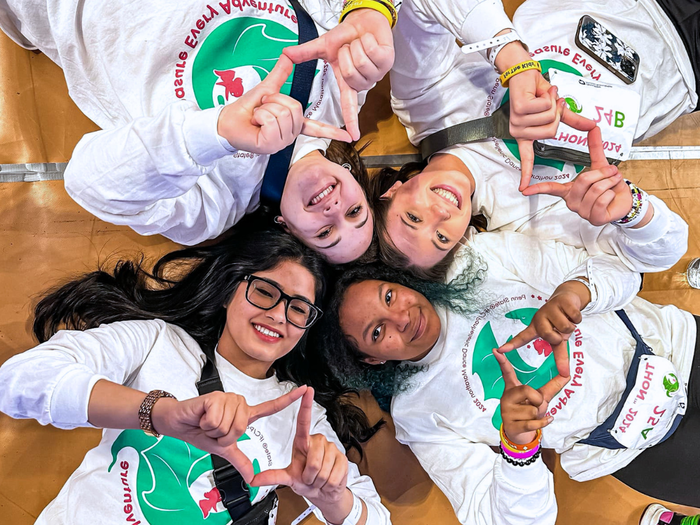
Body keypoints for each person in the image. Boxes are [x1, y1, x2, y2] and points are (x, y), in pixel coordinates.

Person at [0, 220, 391, 525]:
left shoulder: (299, 414)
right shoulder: (158, 342)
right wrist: (158, 412)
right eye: (265, 292)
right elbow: (18, 381)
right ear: (229, 292)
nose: (277, 314)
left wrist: (331, 497)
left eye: (298, 309)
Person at [317, 225, 700, 523]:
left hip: (677, 345)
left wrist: (575, 292)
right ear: (371, 361)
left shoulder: (477, 259)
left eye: (389, 296)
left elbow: (624, 270)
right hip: (640, 446)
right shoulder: (418, 415)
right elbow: (506, 519)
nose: (402, 317)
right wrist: (517, 446)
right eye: (378, 332)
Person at [0, 0, 395, 262]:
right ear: (357, 183)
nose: (334, 210)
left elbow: (88, 181)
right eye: (355, 212)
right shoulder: (344, 101)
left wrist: (217, 132)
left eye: (326, 232)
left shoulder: (215, 206)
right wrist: (370, 15)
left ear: (287, 229)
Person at [370, 0, 696, 274]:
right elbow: (663, 251)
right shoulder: (526, 218)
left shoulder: (425, 104)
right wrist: (631, 210)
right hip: (688, 70)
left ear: (392, 192)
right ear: (461, 240)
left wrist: (514, 62)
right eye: (442, 238)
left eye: (414, 217)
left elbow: (420, 6)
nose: (439, 215)